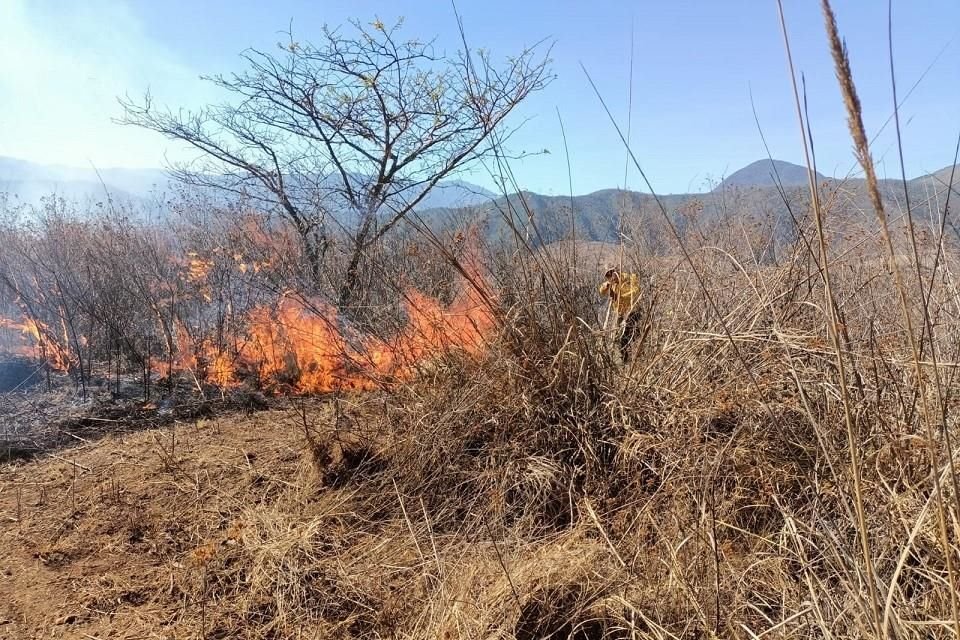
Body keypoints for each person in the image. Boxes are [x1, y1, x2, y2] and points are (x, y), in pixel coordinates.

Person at [599, 266, 642, 362]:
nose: (611, 277)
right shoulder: (612, 283)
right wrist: (606, 286)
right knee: (621, 337)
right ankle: (626, 360)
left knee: (626, 337)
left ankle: (631, 359)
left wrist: (618, 297)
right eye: (608, 276)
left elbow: (635, 293)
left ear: (617, 271)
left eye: (612, 273)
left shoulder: (629, 278)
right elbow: (601, 291)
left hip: (632, 312)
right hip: (621, 314)